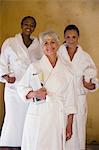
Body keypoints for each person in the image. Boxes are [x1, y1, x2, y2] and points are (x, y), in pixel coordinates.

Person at [17, 30, 78, 150]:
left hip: (57, 115)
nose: (49, 46)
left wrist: (69, 125)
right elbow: (21, 88)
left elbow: (71, 100)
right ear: (41, 46)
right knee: (36, 144)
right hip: (38, 113)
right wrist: (34, 93)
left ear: (58, 44)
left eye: (53, 42)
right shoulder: (35, 66)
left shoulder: (67, 69)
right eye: (45, 43)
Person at [0, 16, 43, 150]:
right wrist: (6, 77)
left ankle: (25, 144)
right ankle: (9, 144)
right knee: (12, 117)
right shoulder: (10, 42)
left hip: (30, 89)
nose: (28, 27)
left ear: (35, 27)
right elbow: (2, 63)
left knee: (28, 117)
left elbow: (42, 66)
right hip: (13, 88)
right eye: (26, 24)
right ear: (21, 25)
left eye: (31, 25)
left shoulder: (38, 46)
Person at [58, 24, 98, 150]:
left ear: (78, 37)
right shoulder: (57, 54)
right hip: (62, 98)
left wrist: (88, 85)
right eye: (68, 37)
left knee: (78, 130)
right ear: (64, 37)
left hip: (78, 99)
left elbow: (94, 81)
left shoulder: (85, 57)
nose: (71, 40)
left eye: (74, 37)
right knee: (61, 129)